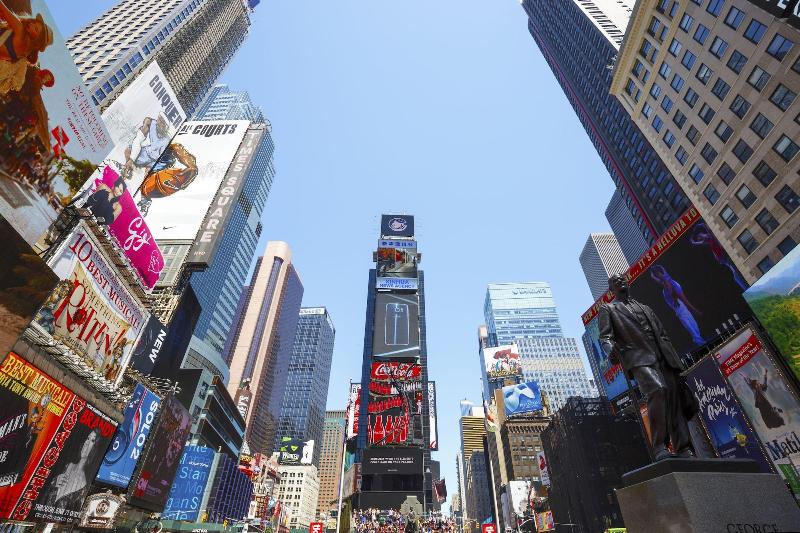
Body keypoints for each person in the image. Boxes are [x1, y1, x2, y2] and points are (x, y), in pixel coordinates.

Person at [598, 274, 694, 460]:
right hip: (638, 357)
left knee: (674, 401)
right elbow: (605, 337)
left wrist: (676, 363)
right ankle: (660, 447)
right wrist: (612, 351)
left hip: (663, 357)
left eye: (623, 279)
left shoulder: (646, 308)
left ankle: (684, 448)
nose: (620, 282)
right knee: (658, 391)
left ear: (628, 282)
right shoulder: (608, 309)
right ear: (611, 290)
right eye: (615, 282)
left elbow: (663, 335)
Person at [0, 0, 53, 95]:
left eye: (35, 29)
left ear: (37, 40)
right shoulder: (23, 56)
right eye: (34, 23)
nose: (31, 24)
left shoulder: (20, 30)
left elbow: (2, 8)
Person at [650, 265, 705, 348]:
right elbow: (663, 282)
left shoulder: (671, 283)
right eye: (659, 274)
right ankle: (701, 343)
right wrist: (695, 310)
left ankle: (700, 341)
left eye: (660, 273)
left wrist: (657, 273)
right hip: (680, 312)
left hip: (683, 309)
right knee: (692, 329)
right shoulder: (666, 289)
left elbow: (664, 277)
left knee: (694, 327)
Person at [689, 222, 748, 291]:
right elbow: (701, 242)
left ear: (701, 234)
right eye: (699, 239)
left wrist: (701, 225)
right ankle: (745, 287)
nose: (700, 239)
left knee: (735, 273)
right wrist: (694, 242)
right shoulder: (707, 239)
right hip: (722, 258)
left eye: (699, 237)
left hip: (723, 257)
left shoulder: (709, 235)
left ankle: (745, 286)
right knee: (735, 272)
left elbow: (706, 229)